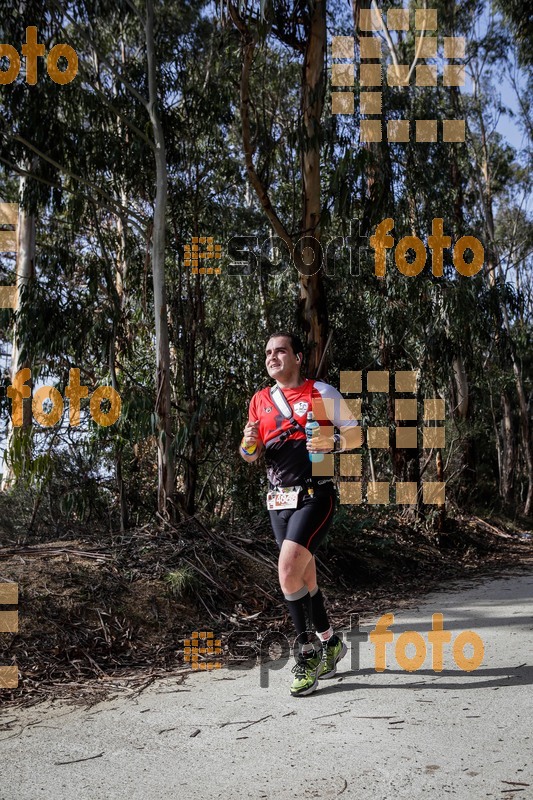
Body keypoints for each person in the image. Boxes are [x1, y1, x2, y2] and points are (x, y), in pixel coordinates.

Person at [240, 331, 360, 697]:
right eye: (268, 353)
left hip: (315, 495)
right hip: (278, 501)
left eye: (280, 351)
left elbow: (355, 435)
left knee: (288, 570)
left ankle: (306, 655)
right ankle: (332, 642)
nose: (273, 357)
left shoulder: (320, 393)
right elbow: (250, 455)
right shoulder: (260, 400)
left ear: (297, 357)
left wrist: (333, 442)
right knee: (305, 580)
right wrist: (248, 444)